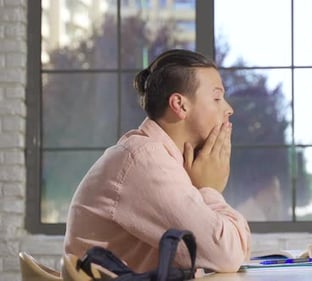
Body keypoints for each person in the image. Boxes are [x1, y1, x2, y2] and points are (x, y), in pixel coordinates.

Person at [63, 49, 251, 273]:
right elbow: (227, 254)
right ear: (180, 105)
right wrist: (208, 189)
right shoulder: (144, 160)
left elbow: (223, 255)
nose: (229, 109)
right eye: (217, 98)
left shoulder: (160, 158)